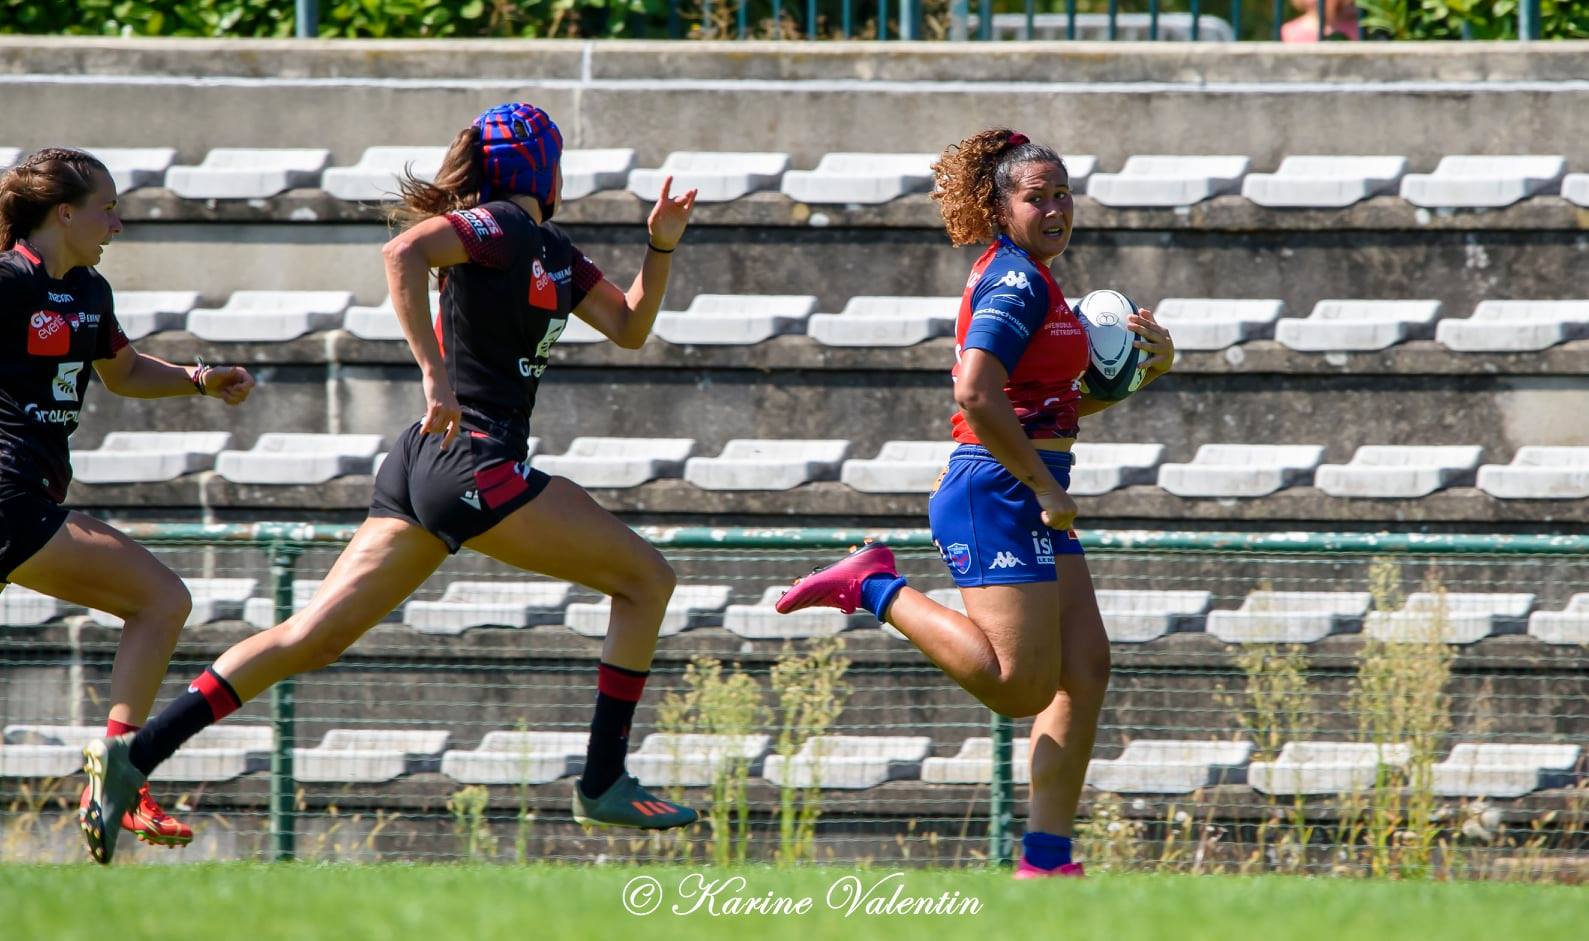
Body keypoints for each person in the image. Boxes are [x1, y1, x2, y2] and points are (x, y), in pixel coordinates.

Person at [79, 103, 701, 865]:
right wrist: (434, 374)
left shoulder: (549, 249)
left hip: (427, 464)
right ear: (546, 166)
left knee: (312, 637)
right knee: (645, 579)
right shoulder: (501, 224)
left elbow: (631, 325)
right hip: (474, 458)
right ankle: (603, 778)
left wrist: (658, 245)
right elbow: (404, 251)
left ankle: (134, 755)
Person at [776, 129, 1175, 878]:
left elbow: (1050, 405)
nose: (1055, 208)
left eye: (1062, 194)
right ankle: (873, 584)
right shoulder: (1015, 282)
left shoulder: (1040, 280)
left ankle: (1047, 861)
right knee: (1017, 685)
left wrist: (1146, 371)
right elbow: (972, 392)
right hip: (994, 488)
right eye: (1036, 196)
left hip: (1017, 480)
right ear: (998, 206)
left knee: (1084, 666)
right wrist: (1042, 486)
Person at [0, 147, 255, 855]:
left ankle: (119, 774)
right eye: (108, 207)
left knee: (159, 600)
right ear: (66, 212)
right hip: (10, 499)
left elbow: (126, 371)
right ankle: (120, 774)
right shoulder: (5, 283)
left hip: (28, 502)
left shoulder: (87, 291)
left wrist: (203, 379)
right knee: (161, 599)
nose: (117, 222)